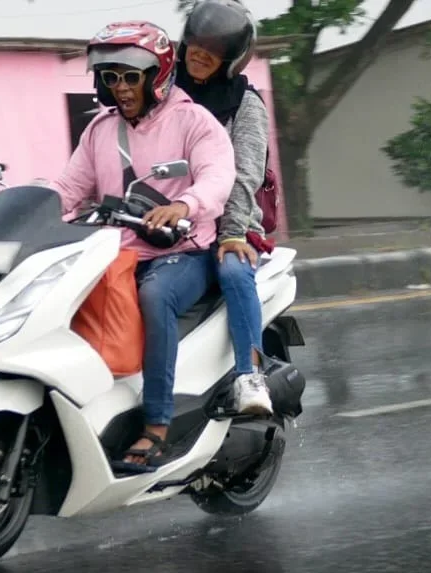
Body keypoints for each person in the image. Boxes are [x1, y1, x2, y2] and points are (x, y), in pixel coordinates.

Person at [49, 20, 236, 471]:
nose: (121, 87)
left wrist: (185, 204)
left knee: (154, 297)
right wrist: (24, 205)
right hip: (119, 252)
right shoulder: (99, 131)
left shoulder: (193, 121)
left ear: (157, 76)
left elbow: (218, 176)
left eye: (131, 76)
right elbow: (69, 188)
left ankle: (156, 424)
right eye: (111, 78)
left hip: (185, 252)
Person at [175, 0, 274, 416]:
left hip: (227, 223)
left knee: (233, 271)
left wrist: (232, 232)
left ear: (231, 59)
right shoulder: (166, 94)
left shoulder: (245, 105)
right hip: (171, 221)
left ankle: (249, 378)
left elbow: (244, 174)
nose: (200, 55)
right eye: (195, 44)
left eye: (212, 50)